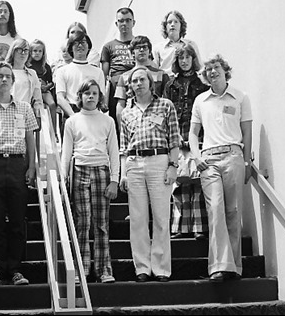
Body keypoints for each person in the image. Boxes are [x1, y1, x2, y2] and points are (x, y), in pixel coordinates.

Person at [188, 54, 252, 282]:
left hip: (233, 156)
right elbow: (193, 134)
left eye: (216, 67)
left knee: (233, 211)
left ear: (225, 71)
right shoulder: (200, 101)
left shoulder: (240, 97)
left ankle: (234, 267)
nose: (212, 72)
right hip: (209, 160)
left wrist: (246, 161)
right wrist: (196, 157)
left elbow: (247, 132)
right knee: (215, 209)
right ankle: (218, 266)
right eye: (208, 70)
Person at [0, 62, 39, 286]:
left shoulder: (24, 108)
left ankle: (16, 270)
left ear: (13, 81)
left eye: (7, 77)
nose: (3, 80)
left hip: (17, 165)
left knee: (17, 220)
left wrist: (32, 166)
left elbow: (30, 139)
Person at [119, 66, 180, 283]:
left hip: (159, 161)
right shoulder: (126, 113)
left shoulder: (165, 105)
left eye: (142, 79)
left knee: (162, 217)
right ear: (130, 86)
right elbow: (123, 146)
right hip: (135, 163)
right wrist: (123, 172)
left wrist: (173, 166)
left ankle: (161, 269)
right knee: (138, 219)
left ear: (150, 82)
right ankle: (142, 268)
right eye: (134, 81)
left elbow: (174, 140)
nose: (138, 83)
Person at [61, 79, 119, 283]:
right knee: (82, 222)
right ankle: (81, 269)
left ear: (99, 97)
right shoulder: (72, 121)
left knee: (101, 223)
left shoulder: (107, 121)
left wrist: (114, 180)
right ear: (80, 97)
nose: (91, 96)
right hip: (80, 170)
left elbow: (113, 151)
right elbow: (66, 152)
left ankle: (104, 269)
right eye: (87, 93)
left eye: (95, 93)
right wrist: (63, 178)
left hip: (101, 171)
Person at [162, 42, 209, 240]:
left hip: (197, 139)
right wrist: (175, 137)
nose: (184, 61)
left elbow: (203, 116)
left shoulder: (201, 85)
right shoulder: (171, 86)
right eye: (181, 58)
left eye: (187, 58)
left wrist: (197, 137)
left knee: (197, 183)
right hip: (177, 139)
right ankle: (180, 227)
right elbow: (167, 113)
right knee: (180, 184)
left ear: (193, 59)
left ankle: (198, 226)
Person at [55, 29, 106, 139]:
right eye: (76, 43)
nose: (80, 46)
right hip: (71, 114)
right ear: (71, 48)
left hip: (92, 114)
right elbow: (60, 98)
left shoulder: (97, 72)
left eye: (83, 42)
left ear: (88, 46)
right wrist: (74, 117)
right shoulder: (62, 71)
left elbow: (101, 97)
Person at [115, 35, 169, 129]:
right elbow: (120, 106)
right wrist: (122, 129)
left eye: (144, 47)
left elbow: (167, 103)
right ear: (132, 53)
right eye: (138, 48)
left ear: (149, 51)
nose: (141, 50)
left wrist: (158, 123)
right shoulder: (124, 77)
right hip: (133, 123)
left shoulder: (161, 74)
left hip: (157, 124)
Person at [100, 7, 136, 132]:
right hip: (115, 90)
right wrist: (103, 97)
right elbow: (103, 76)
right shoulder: (108, 46)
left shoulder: (139, 44)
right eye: (121, 21)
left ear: (133, 22)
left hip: (135, 86)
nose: (124, 24)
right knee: (117, 126)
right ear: (116, 23)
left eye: (128, 20)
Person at [152, 10, 202, 77]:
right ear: (165, 26)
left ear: (181, 26)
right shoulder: (157, 48)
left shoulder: (191, 45)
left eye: (176, 22)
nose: (172, 25)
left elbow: (199, 68)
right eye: (169, 22)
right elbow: (154, 72)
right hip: (165, 82)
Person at [5, 38, 43, 121]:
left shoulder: (32, 73)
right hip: (6, 114)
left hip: (25, 115)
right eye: (19, 49)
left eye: (26, 50)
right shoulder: (5, 71)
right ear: (13, 51)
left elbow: (37, 98)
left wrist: (38, 115)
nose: (23, 53)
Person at [27, 39, 57, 139]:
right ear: (30, 52)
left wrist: (45, 87)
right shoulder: (27, 66)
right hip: (32, 91)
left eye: (40, 51)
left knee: (52, 104)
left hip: (44, 91)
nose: (37, 53)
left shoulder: (46, 67)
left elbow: (51, 82)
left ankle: (53, 131)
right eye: (35, 51)